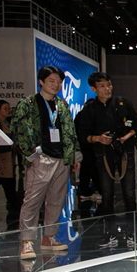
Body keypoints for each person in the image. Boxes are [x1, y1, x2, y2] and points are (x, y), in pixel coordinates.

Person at [11, 66, 81, 259]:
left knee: (56, 200)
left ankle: (49, 237)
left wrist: (74, 156)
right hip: (41, 158)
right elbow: (19, 129)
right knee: (33, 200)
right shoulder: (27, 104)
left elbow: (70, 131)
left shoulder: (62, 105)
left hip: (62, 158)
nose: (56, 85)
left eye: (59, 81)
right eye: (51, 81)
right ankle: (27, 241)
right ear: (41, 81)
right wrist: (31, 155)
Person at [75, 72, 137, 248]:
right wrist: (98, 138)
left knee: (129, 194)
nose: (107, 89)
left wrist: (125, 137)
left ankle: (132, 233)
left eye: (109, 85)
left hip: (125, 152)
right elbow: (82, 135)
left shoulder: (123, 103)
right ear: (93, 88)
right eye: (102, 86)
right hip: (103, 154)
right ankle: (110, 233)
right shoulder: (90, 109)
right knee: (106, 195)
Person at [0, 100, 20, 215]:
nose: (8, 111)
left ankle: (13, 203)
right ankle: (13, 203)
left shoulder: (6, 122)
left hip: (8, 156)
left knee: (4, 180)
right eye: (5, 108)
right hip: (0, 157)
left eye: (9, 108)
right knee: (3, 180)